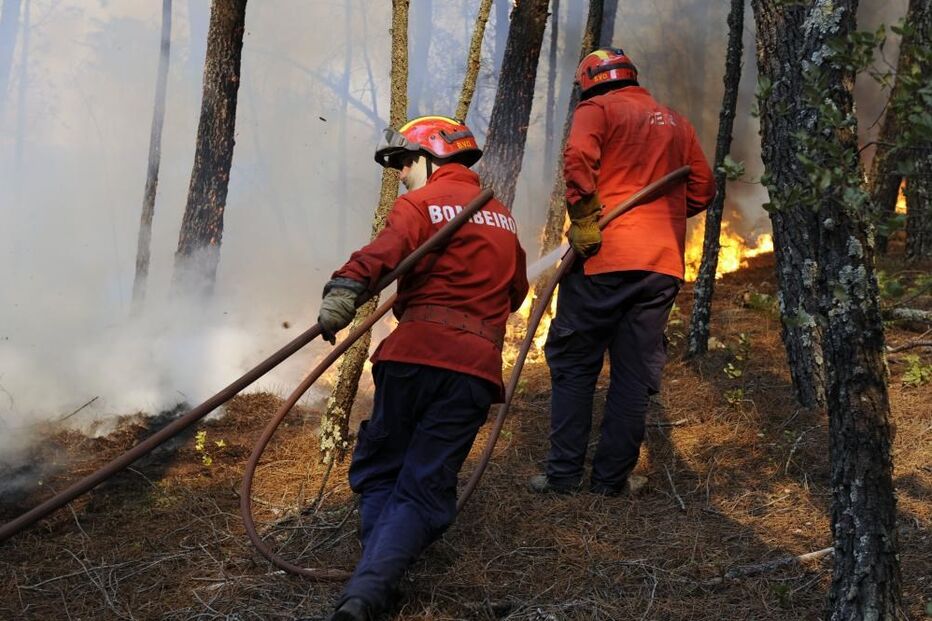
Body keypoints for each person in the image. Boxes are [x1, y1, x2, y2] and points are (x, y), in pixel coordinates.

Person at [318, 115, 529, 621]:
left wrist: (346, 287)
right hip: (474, 370)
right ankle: (375, 588)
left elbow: (387, 251)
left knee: (378, 471)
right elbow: (517, 292)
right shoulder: (503, 216)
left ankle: (366, 594)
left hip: (413, 357)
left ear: (430, 158)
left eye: (404, 163)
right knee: (423, 484)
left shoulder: (419, 204)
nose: (401, 175)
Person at [529, 48, 715, 496]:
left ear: (590, 81)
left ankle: (563, 478)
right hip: (660, 268)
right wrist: (664, 216)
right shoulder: (675, 121)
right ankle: (611, 481)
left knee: (575, 365)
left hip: (602, 260)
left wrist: (588, 218)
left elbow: (577, 159)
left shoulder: (595, 109)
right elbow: (703, 189)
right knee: (633, 374)